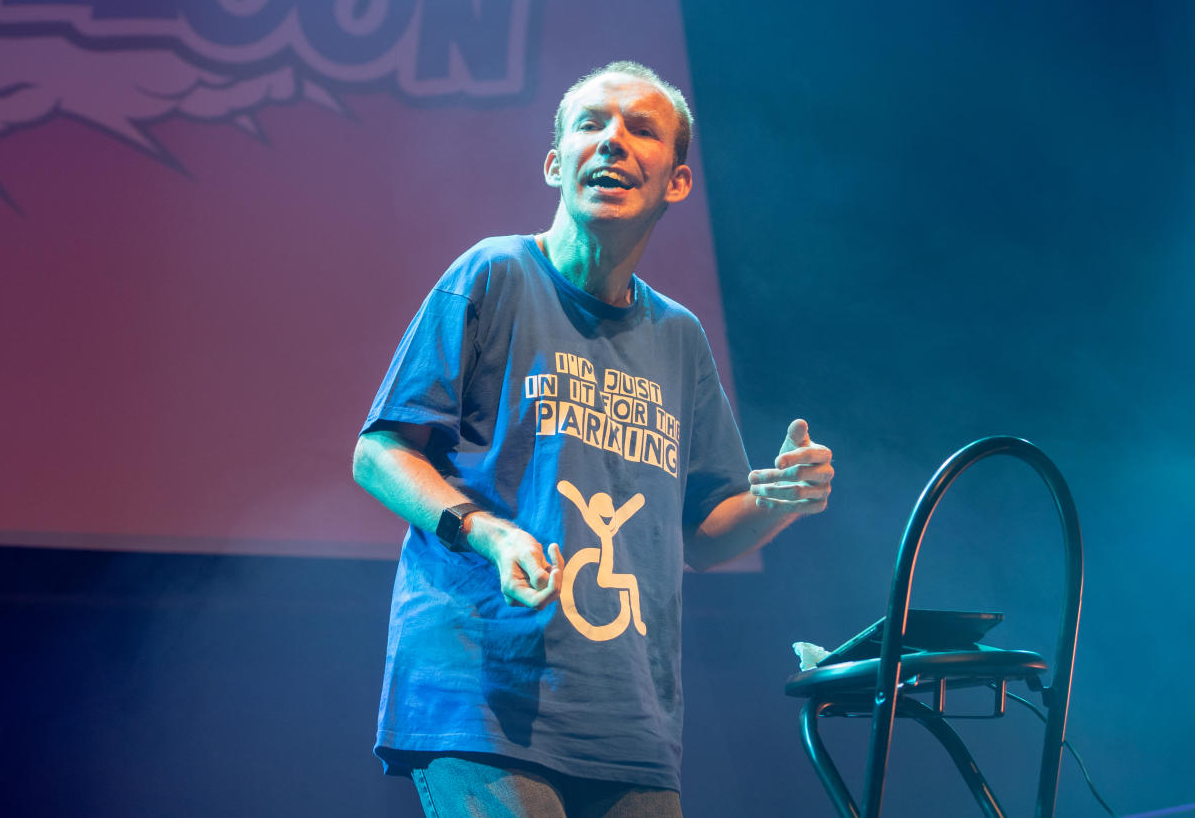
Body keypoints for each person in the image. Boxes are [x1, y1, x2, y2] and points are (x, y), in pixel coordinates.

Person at [352, 61, 834, 818]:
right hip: (484, 689)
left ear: (676, 181)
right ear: (556, 163)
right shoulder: (494, 274)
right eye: (592, 125)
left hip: (628, 718)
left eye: (641, 130)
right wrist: (489, 535)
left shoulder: (678, 336)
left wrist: (780, 501)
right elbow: (379, 453)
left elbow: (703, 536)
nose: (613, 141)